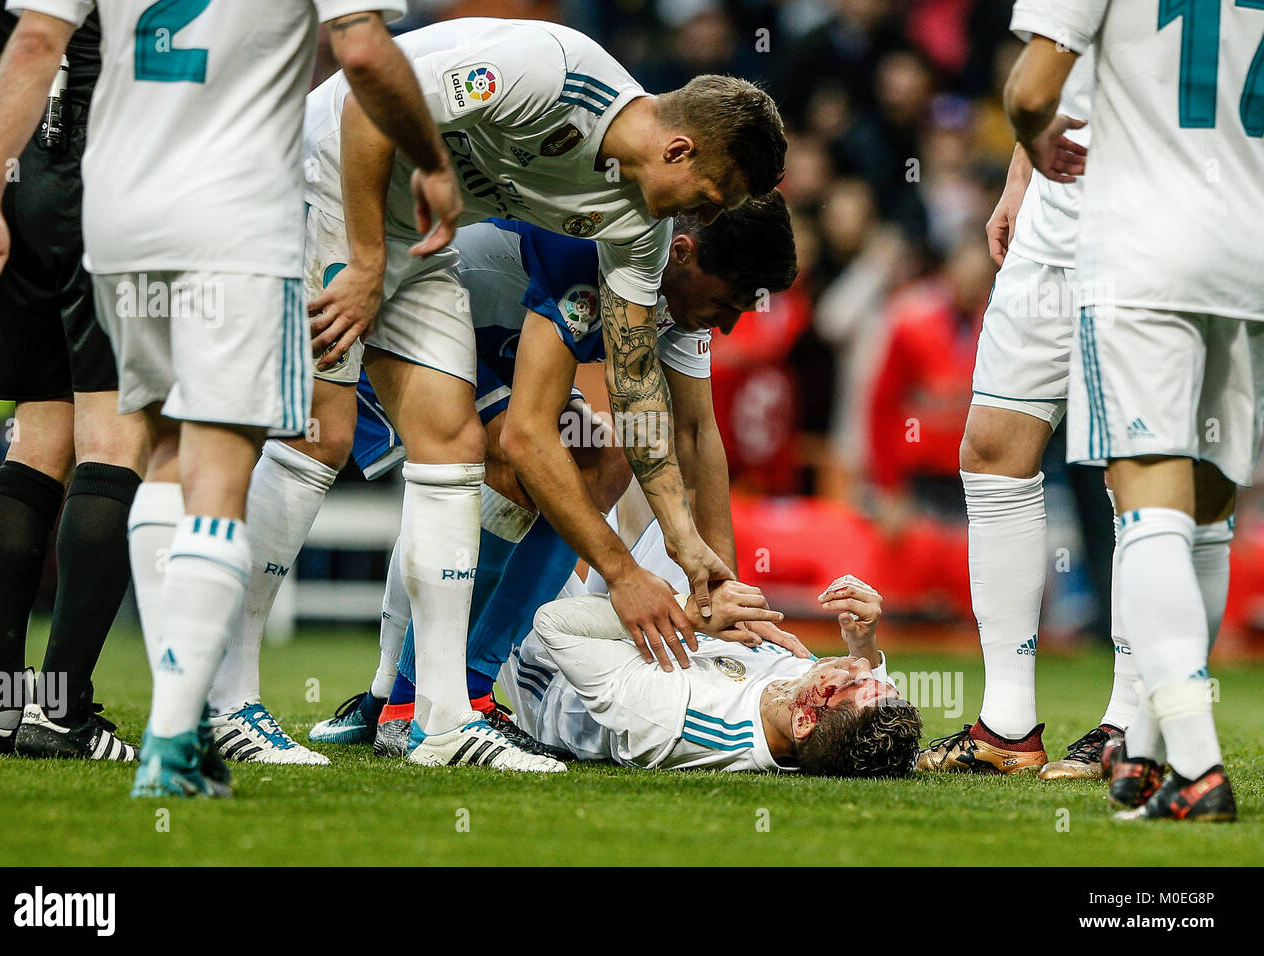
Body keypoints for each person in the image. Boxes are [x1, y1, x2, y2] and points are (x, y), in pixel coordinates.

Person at [0, 1, 460, 797]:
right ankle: (120, 721)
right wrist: (432, 159)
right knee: (163, 455)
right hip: (213, 203)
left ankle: (2, 703)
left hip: (69, 190)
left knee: (41, 440)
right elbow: (364, 50)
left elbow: (31, 39)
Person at [262, 23, 786, 770]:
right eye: (707, 198)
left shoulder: (639, 224)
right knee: (382, 448)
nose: (697, 220)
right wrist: (622, 572)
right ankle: (322, 698)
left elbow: (644, 397)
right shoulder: (551, 74)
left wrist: (689, 551)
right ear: (679, 150)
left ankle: (428, 707)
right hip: (323, 183)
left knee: (564, 458)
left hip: (425, 256)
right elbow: (370, 100)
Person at [1002, 0, 1263, 822]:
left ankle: (1196, 766)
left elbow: (1031, 88)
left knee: (1147, 499)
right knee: (1209, 504)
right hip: (1250, 248)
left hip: (1144, 252)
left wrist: (1036, 135)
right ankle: (1145, 750)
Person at [916, 32, 1143, 780]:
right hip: (1053, 221)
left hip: (1150, 227)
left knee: (1143, 468)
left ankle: (1132, 720)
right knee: (991, 448)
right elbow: (1052, 66)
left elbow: (1033, 82)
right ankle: (1007, 724)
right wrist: (1020, 176)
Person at [0, 1, 140, 763]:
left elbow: (29, 44)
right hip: (113, 181)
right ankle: (63, 713)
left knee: (37, 442)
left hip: (22, 175)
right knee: (114, 441)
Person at [503, 573, 922, 778]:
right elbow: (864, 718)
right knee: (661, 458)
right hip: (638, 629)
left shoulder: (673, 716)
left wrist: (689, 612)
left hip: (547, 659)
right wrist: (861, 641)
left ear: (803, 721)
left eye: (854, 677)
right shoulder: (807, 705)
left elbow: (554, 624)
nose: (860, 665)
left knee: (530, 476)